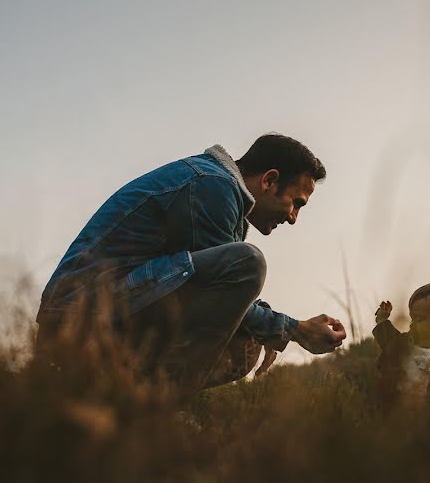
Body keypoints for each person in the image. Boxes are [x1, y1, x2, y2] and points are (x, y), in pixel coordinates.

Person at [36, 134, 347, 392]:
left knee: (244, 345)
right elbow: (226, 280)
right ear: (269, 180)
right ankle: (147, 416)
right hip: (77, 320)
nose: (293, 218)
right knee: (248, 264)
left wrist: (273, 329)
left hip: (119, 308)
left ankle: (122, 400)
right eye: (296, 203)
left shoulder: (221, 192)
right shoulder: (212, 185)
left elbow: (217, 290)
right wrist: (293, 329)